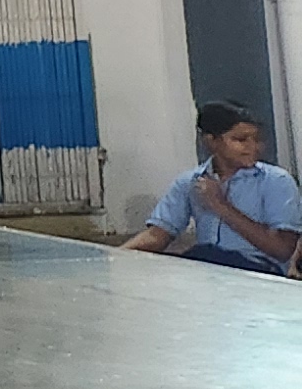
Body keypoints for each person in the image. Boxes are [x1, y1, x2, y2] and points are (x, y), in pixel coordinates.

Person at [126, 101, 300, 275]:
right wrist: (116, 258)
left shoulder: (276, 181)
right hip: (206, 270)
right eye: (241, 140)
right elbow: (157, 235)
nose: (253, 147)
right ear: (212, 141)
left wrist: (220, 205)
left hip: (258, 272)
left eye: (257, 140)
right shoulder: (191, 181)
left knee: (205, 255)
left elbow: (283, 249)